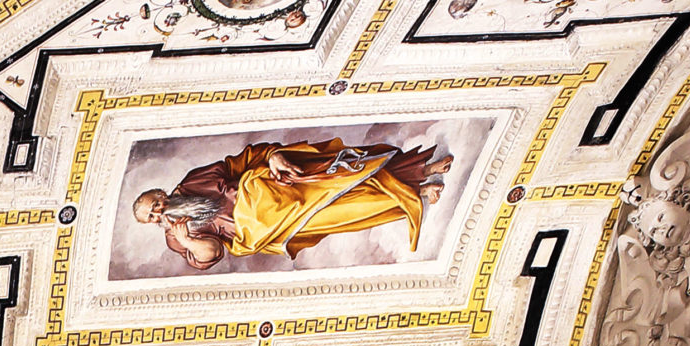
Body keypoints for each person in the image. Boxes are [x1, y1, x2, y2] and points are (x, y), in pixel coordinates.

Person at [131, 137, 451, 271]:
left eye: (155, 202)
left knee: (345, 172)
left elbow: (241, 162)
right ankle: (417, 194)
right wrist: (188, 240)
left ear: (161, 193)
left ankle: (421, 170)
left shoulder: (192, 181)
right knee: (349, 210)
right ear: (152, 223)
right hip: (273, 226)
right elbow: (213, 253)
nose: (158, 211)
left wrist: (274, 156)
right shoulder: (175, 237)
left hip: (276, 185)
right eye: (152, 215)